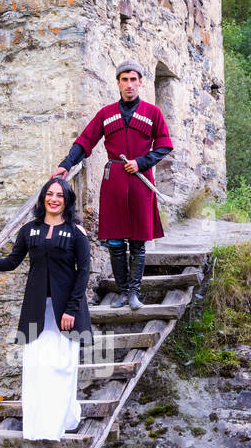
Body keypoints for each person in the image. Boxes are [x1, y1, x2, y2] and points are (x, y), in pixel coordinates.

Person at [0, 177, 91, 442]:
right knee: (37, 367)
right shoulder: (30, 230)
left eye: (60, 195)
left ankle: (60, 422)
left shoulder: (77, 233)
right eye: (50, 194)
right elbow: (11, 261)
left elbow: (83, 272)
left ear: (67, 201)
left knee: (61, 366)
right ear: (43, 197)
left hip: (66, 312)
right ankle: (39, 427)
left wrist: (71, 309)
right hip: (36, 310)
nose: (54, 199)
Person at [52, 59, 173, 309]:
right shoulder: (106, 114)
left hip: (141, 182)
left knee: (138, 241)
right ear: (118, 83)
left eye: (133, 80)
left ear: (140, 82)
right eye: (124, 80)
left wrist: (142, 162)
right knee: (116, 242)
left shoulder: (153, 113)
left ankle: (134, 294)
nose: (129, 85)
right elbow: (85, 141)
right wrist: (66, 164)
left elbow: (163, 145)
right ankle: (122, 291)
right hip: (114, 182)